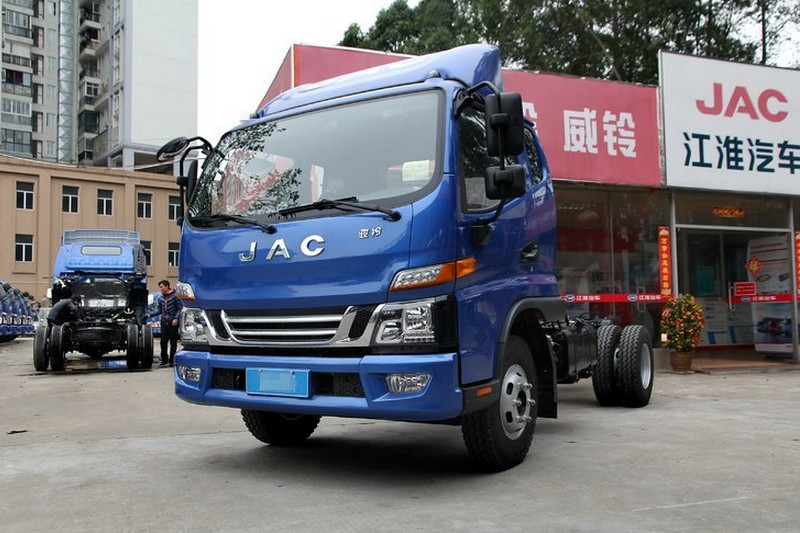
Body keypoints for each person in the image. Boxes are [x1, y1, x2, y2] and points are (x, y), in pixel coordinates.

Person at [154, 279, 183, 367]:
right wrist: (149, 315)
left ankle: (172, 361)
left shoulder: (175, 296)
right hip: (164, 322)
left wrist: (176, 318)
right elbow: (159, 310)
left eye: (162, 287)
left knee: (173, 342)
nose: (161, 289)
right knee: (163, 342)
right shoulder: (161, 298)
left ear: (167, 286)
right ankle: (164, 360)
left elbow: (180, 308)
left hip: (173, 322)